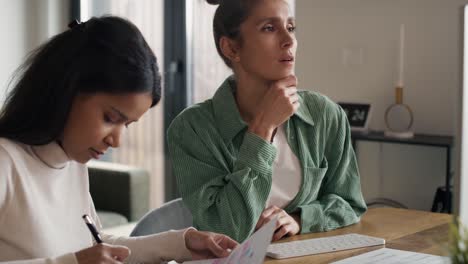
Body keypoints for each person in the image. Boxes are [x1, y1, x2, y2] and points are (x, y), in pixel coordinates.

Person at [0, 16, 237, 264]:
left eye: (127, 125)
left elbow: (95, 245)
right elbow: (81, 257)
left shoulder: (71, 161)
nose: (116, 141)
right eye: (110, 118)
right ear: (66, 89)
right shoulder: (6, 161)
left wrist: (183, 245)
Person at [167, 0, 367, 243]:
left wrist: (300, 219)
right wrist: (262, 131)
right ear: (231, 48)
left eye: (291, 28)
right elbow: (224, 229)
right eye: (269, 28)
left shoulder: (324, 114)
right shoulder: (191, 129)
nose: (288, 40)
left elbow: (350, 203)